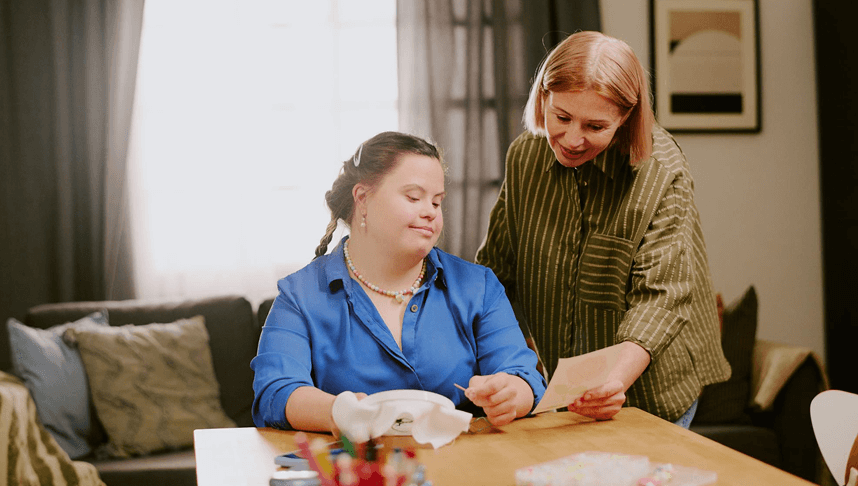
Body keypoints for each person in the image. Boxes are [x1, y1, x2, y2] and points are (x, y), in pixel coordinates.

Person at [475, 31, 731, 427]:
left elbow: (660, 298)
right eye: (561, 117)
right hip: (562, 387)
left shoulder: (661, 172)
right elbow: (496, 272)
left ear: (626, 118)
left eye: (595, 126)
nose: (572, 139)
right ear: (544, 98)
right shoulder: (524, 158)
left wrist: (612, 381)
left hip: (650, 388)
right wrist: (508, 367)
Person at [251, 131, 546, 435]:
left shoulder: (479, 286)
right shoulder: (299, 296)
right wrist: (337, 412)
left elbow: (524, 375)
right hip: (355, 470)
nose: (430, 211)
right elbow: (276, 392)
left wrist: (512, 393)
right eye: (414, 197)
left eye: (437, 201)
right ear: (363, 199)